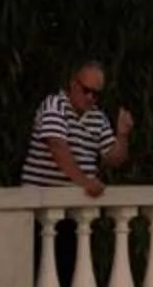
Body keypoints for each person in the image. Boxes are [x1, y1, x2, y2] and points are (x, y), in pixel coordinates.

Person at [23, 59, 131, 196]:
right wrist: (85, 182)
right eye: (86, 90)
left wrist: (122, 135)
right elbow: (57, 146)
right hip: (41, 198)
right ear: (73, 84)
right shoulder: (55, 105)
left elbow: (113, 160)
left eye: (95, 94)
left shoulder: (98, 117)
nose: (90, 97)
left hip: (77, 200)